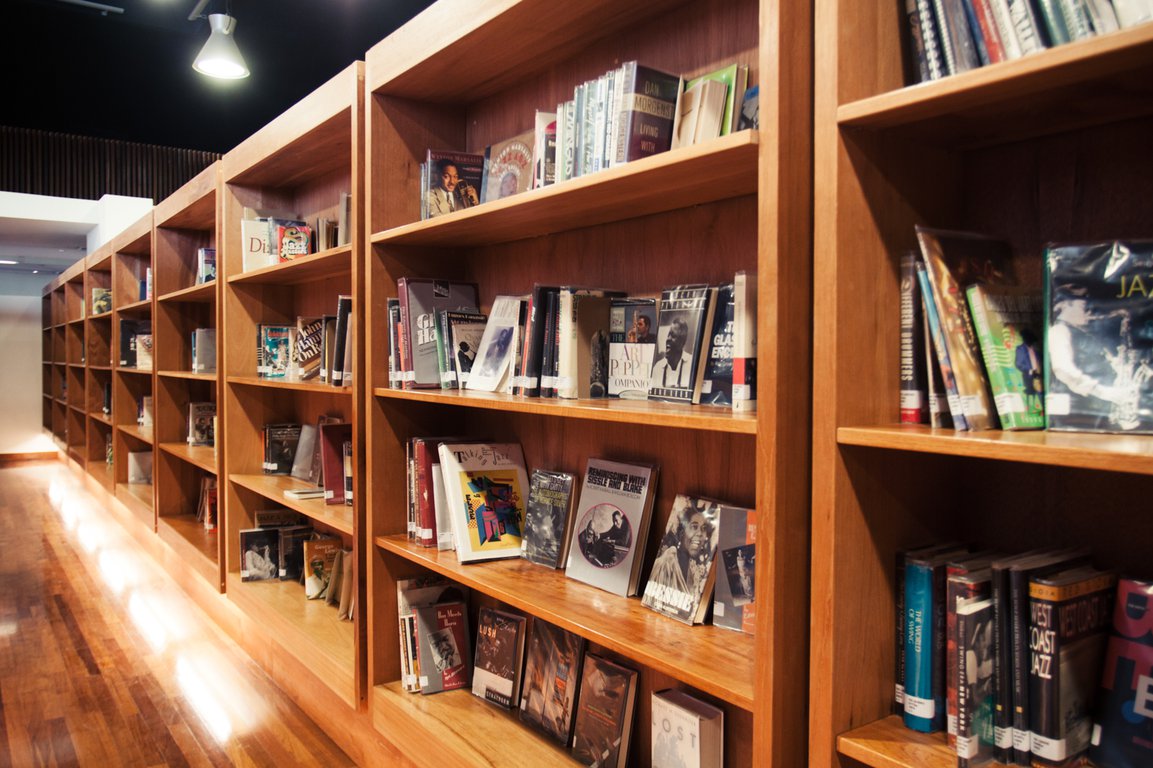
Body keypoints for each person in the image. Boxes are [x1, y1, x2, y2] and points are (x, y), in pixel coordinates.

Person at [647, 499, 716, 603]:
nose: (700, 533)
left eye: (703, 528)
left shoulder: (693, 569)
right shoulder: (668, 559)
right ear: (682, 531)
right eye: (694, 527)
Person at [650, 317, 693, 390]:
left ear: (682, 342)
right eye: (668, 335)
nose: (668, 339)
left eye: (673, 336)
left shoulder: (692, 364)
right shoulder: (658, 368)